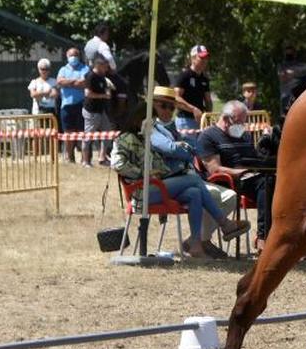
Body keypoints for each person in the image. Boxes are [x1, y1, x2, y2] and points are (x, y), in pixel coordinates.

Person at [112, 103, 249, 259]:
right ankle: (224, 223)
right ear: (139, 120)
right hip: (142, 191)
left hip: (158, 185)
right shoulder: (125, 139)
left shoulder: (146, 139)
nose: (154, 124)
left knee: (194, 193)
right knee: (194, 180)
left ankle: (196, 244)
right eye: (151, 120)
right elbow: (118, 164)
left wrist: (164, 171)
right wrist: (145, 173)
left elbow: (161, 163)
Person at [199, 100, 274, 251]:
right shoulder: (208, 136)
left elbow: (255, 159)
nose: (242, 126)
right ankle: (263, 238)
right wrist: (242, 172)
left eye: (244, 122)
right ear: (226, 119)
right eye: (239, 122)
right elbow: (214, 169)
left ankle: (284, 239)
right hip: (228, 181)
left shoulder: (245, 136)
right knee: (267, 183)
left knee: (280, 183)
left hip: (252, 177)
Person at [82, 55, 117, 167]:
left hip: (101, 111)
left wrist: (108, 88)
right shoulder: (90, 76)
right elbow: (87, 93)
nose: (107, 69)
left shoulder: (102, 76)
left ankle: (102, 158)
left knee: (107, 132)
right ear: (99, 65)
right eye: (105, 66)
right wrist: (103, 95)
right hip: (91, 111)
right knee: (88, 136)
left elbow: (105, 91)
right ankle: (85, 161)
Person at [56, 48, 89, 163]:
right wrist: (75, 82)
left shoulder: (85, 68)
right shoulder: (63, 69)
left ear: (79, 56)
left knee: (81, 133)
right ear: (67, 56)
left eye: (75, 55)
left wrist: (68, 82)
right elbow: (59, 82)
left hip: (81, 105)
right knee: (68, 133)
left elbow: (84, 83)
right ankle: (70, 157)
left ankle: (84, 159)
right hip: (66, 106)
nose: (73, 57)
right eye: (71, 55)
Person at [174, 44, 212, 132]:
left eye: (206, 58)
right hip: (185, 120)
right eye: (201, 58)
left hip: (201, 121)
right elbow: (176, 98)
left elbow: (208, 100)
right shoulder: (185, 75)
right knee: (189, 146)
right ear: (193, 58)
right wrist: (193, 109)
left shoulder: (204, 79)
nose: (205, 61)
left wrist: (209, 117)